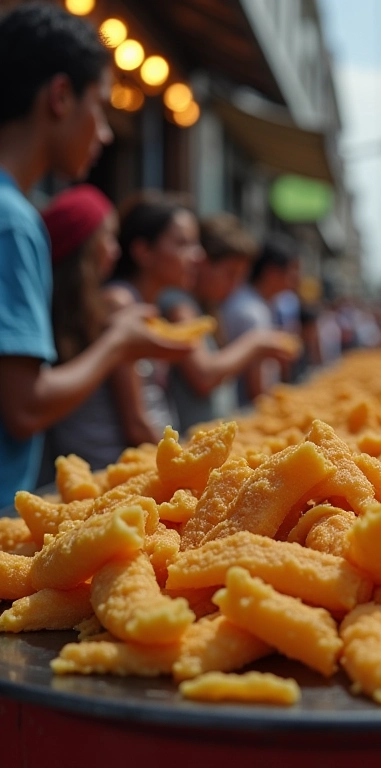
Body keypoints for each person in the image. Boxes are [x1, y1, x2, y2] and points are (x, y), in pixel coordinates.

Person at [0, 4, 191, 506]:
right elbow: (23, 407)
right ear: (60, 96)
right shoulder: (13, 222)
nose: (105, 133)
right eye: (100, 106)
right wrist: (118, 343)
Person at [158, 213, 299, 433]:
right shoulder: (180, 306)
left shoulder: (207, 308)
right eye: (229, 273)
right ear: (203, 265)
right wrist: (256, 343)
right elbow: (204, 376)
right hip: (193, 440)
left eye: (239, 276)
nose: (234, 285)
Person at [38, 184, 127, 481]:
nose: (116, 250)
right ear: (85, 249)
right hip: (82, 475)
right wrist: (121, 340)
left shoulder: (95, 311)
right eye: (109, 238)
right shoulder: (109, 311)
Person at [104, 192, 204, 444]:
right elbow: (136, 424)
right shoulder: (120, 302)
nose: (198, 255)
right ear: (143, 251)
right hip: (116, 469)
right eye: (182, 244)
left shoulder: (152, 304)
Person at [220, 233, 300, 406]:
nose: (296, 279)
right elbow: (257, 388)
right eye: (292, 270)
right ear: (271, 272)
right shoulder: (252, 312)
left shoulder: (255, 303)